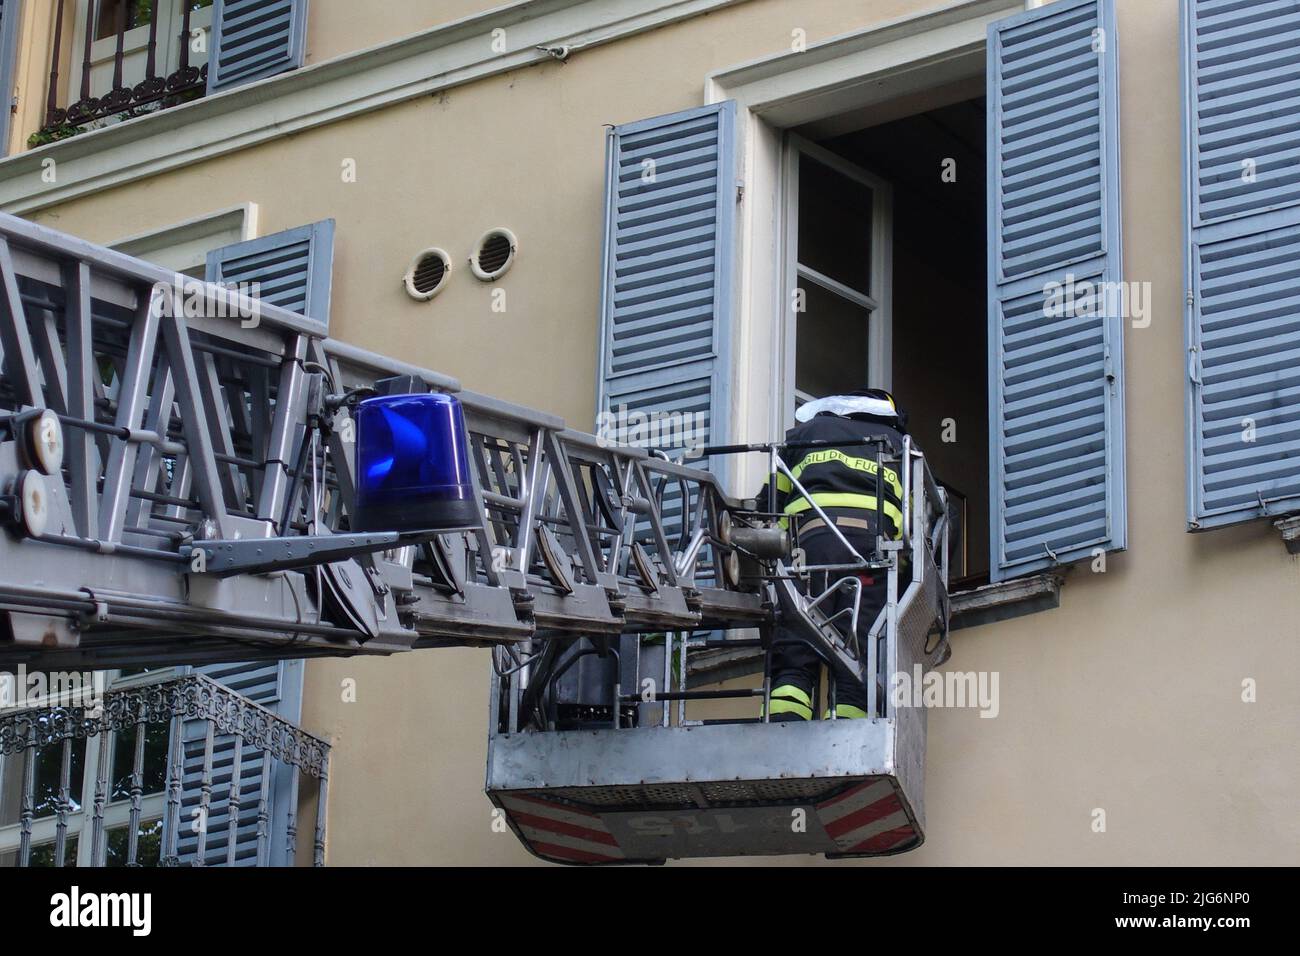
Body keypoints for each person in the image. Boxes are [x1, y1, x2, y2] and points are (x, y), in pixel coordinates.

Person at [760, 387, 908, 721]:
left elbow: (769, 505)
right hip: (872, 551)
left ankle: (785, 715)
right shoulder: (899, 445)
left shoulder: (806, 434)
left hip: (810, 546)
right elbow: (922, 521)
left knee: (799, 632)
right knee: (860, 641)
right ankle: (848, 722)